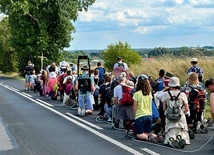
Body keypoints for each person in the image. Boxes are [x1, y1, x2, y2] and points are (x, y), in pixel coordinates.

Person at [162, 77, 190, 148]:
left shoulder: (166, 94)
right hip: (180, 117)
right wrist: (181, 113)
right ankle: (180, 137)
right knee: (181, 130)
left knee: (170, 131)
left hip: (170, 117)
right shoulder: (182, 94)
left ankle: (171, 139)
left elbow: (164, 108)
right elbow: (186, 109)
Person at [132, 74, 158, 142]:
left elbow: (134, 108)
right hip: (149, 115)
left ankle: (149, 137)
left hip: (140, 115)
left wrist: (135, 116)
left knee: (139, 134)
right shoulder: (149, 93)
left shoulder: (137, 94)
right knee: (146, 132)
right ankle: (155, 136)